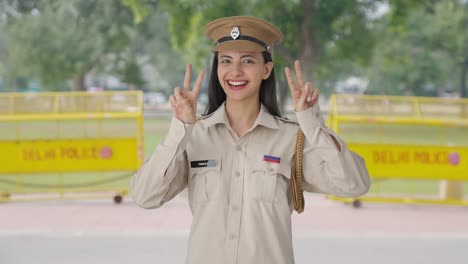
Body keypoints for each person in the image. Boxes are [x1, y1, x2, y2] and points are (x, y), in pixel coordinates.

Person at [131, 16, 370, 264]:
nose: (235, 71)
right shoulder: (194, 136)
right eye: (226, 61)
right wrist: (179, 129)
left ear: (266, 69)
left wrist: (312, 123)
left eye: (247, 60)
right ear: (218, 69)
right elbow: (145, 196)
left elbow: (355, 184)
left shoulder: (291, 139)